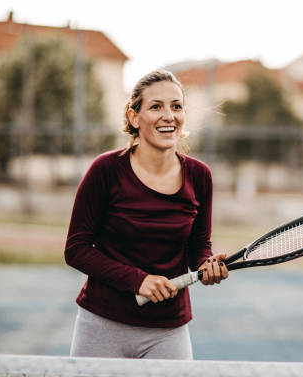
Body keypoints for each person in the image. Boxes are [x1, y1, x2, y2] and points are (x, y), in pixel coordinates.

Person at [64, 70, 228, 360]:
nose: (169, 115)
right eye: (156, 106)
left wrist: (207, 264)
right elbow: (76, 250)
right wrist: (137, 280)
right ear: (133, 117)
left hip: (168, 331)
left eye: (176, 106)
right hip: (102, 324)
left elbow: (198, 248)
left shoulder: (200, 176)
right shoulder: (106, 170)